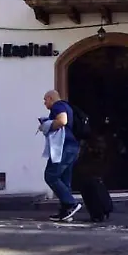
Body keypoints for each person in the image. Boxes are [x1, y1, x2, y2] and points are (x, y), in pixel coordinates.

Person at [40, 90, 83, 222]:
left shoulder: (58, 106)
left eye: (45, 100)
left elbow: (62, 121)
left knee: (50, 175)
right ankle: (66, 212)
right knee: (64, 180)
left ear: (50, 98)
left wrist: (47, 125)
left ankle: (71, 204)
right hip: (73, 147)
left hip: (64, 147)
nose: (44, 103)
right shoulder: (67, 106)